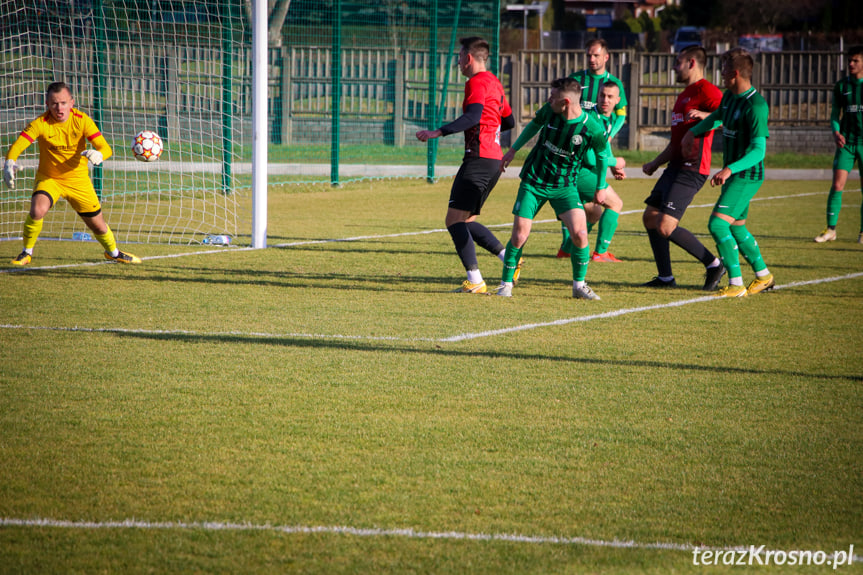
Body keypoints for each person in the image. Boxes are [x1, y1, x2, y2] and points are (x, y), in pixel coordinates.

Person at [495, 77, 610, 300]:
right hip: (534, 181)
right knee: (519, 235)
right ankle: (505, 284)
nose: (549, 99)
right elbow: (533, 126)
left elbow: (603, 156)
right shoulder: (549, 111)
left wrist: (601, 186)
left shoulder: (591, 128)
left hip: (564, 186)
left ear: (565, 101)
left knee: (580, 233)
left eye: (553, 96)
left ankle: (579, 286)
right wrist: (513, 150)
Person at [416, 37, 515, 294]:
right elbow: (510, 121)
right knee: (466, 220)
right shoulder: (495, 82)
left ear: (469, 58)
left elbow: (473, 115)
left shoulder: (476, 82)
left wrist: (438, 132)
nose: (458, 63)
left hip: (479, 159)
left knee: (453, 220)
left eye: (459, 57)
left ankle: (475, 280)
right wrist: (490, 132)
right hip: (493, 160)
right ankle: (509, 261)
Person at [3, 82, 141, 266]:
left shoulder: (82, 120)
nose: (59, 108)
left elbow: (105, 148)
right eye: (54, 103)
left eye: (63, 103)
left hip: (78, 180)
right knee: (37, 210)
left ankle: (114, 253)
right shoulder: (41, 123)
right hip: (50, 179)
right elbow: (19, 144)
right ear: (47, 104)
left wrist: (99, 154)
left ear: (72, 102)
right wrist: (9, 162)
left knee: (98, 225)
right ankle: (26, 253)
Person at [683, 47, 774, 297]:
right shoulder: (730, 97)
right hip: (734, 174)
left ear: (734, 73)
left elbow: (758, 151)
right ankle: (764, 276)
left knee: (717, 225)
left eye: (723, 70)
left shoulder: (756, 106)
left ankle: (736, 284)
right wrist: (693, 132)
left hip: (746, 175)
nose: (720, 74)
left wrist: (729, 169)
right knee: (736, 228)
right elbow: (717, 117)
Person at [641, 45, 726, 290]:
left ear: (691, 63)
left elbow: (730, 115)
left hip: (692, 168)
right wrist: (656, 163)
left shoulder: (707, 90)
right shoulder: (684, 95)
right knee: (650, 217)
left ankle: (713, 264)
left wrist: (709, 118)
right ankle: (666, 277)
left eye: (678, 62)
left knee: (666, 226)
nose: (674, 67)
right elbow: (677, 141)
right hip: (674, 167)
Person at [557, 38, 628, 258]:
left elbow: (621, 116)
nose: (592, 59)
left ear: (606, 57)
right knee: (613, 204)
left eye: (596, 55)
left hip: (580, 163)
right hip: (575, 164)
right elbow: (590, 154)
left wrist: (609, 146)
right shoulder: (577, 82)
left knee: (593, 212)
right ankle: (599, 253)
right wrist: (616, 162)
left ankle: (568, 250)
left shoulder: (612, 91)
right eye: (589, 55)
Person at [814, 44, 863, 244]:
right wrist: (836, 131)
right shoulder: (842, 86)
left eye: (855, 61)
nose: (850, 64)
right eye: (849, 60)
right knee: (837, 185)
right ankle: (831, 230)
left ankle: (862, 232)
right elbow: (835, 113)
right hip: (847, 143)